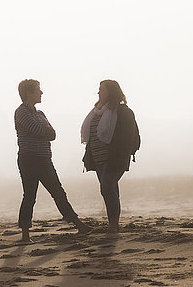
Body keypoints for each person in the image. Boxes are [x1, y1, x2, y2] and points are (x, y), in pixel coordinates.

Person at [15, 79, 92, 242]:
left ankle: (78, 224)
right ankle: (25, 234)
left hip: (44, 159)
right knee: (30, 195)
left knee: (58, 192)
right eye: (38, 90)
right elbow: (39, 131)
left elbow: (53, 135)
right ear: (28, 93)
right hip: (28, 159)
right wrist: (46, 131)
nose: (41, 93)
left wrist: (46, 132)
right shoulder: (21, 112)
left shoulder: (40, 114)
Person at [81, 80, 140, 233]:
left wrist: (123, 155)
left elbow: (131, 136)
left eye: (102, 89)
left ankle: (113, 226)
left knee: (106, 188)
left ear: (111, 92)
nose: (98, 92)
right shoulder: (96, 112)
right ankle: (113, 223)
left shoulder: (123, 112)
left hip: (115, 158)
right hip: (98, 159)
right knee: (110, 189)